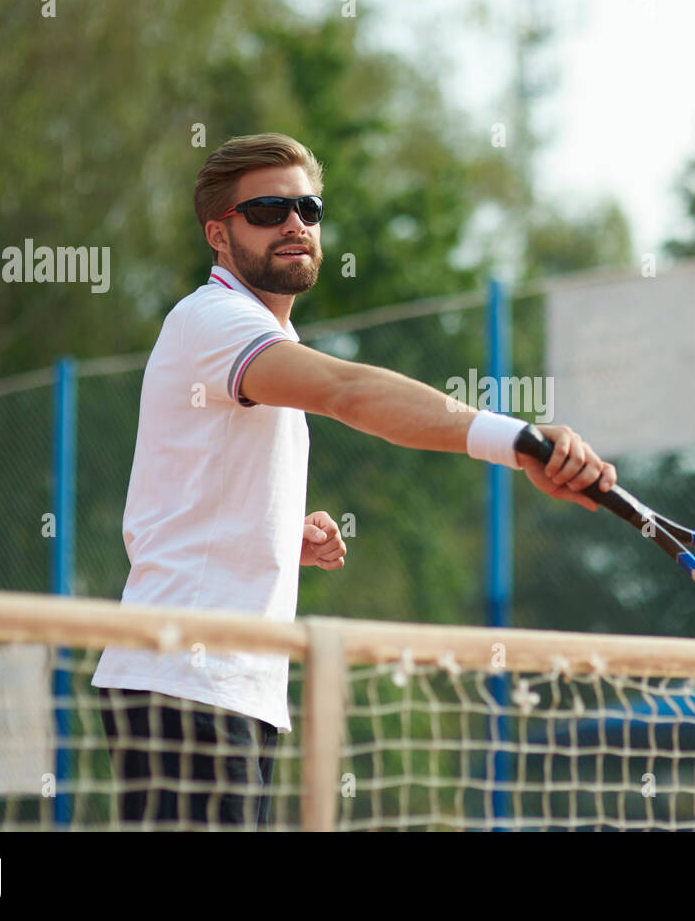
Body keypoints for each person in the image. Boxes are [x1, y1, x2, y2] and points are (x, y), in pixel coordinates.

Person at [91, 133, 616, 828]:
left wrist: (280, 530)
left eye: (307, 208)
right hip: (188, 677)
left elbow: (192, 495)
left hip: (226, 683)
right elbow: (347, 391)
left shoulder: (247, 335)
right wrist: (518, 440)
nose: (295, 224)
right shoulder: (212, 319)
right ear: (218, 234)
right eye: (269, 208)